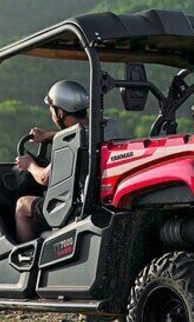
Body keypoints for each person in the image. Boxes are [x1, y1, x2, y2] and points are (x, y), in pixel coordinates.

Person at [14, 80, 122, 242]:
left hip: (74, 207)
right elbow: (83, 132)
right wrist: (48, 136)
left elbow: (44, 178)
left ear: (60, 113)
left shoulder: (68, 145)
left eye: (52, 110)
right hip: (100, 201)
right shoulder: (107, 126)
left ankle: (25, 257)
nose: (51, 114)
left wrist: (29, 165)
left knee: (22, 205)